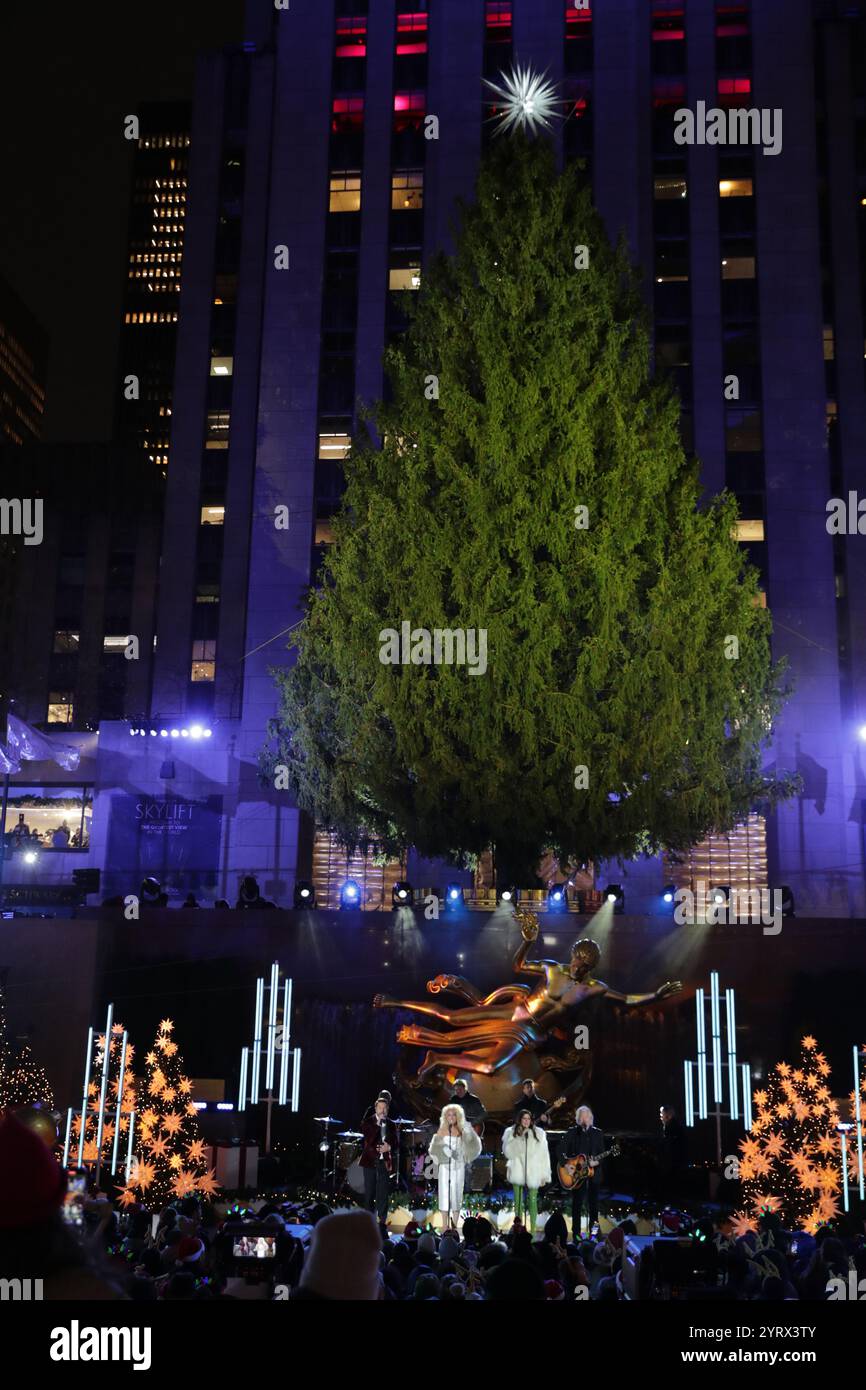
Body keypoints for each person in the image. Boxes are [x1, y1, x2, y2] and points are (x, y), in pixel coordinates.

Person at [429, 1103, 481, 1230]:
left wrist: (463, 1152)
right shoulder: (441, 1131)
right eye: (449, 1115)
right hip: (444, 1167)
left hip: (458, 1166)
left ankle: (454, 1226)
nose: (451, 1117)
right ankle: (444, 1226)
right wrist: (443, 1151)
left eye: (454, 1114)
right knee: (444, 1194)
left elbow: (475, 1147)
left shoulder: (463, 1129)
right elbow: (433, 1151)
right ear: (445, 1116)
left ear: (458, 1116)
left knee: (456, 1194)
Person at [559, 1105, 607, 1238]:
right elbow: (560, 1150)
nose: (584, 1119)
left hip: (593, 1175)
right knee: (577, 1205)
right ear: (578, 1119)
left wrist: (596, 1162)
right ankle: (576, 1234)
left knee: (594, 1207)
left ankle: (594, 1235)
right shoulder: (572, 1132)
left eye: (586, 1116)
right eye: (581, 1116)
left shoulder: (598, 1133)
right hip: (576, 1175)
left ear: (591, 1118)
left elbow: (602, 1154)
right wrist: (566, 1165)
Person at [502, 1109, 551, 1233]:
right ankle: (519, 1230)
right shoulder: (511, 1132)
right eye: (524, 1119)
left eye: (528, 1119)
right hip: (517, 1170)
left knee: (533, 1201)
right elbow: (508, 1153)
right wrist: (519, 1139)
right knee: (518, 1203)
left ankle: (533, 1232)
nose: (526, 1121)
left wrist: (544, 1175)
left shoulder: (539, 1133)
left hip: (534, 1172)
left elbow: (545, 1155)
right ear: (519, 1120)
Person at [359, 1097, 398, 1230]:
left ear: (388, 1109)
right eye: (380, 1108)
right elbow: (369, 1138)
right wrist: (379, 1124)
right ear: (376, 1108)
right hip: (370, 1161)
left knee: (383, 1193)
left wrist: (389, 1147)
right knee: (369, 1192)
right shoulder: (368, 1122)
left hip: (384, 1162)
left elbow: (396, 1143)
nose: (382, 1110)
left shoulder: (391, 1124)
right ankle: (368, 1222)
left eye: (385, 1108)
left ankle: (382, 1223)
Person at [659, 1103, 687, 1187]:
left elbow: (668, 1142)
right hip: (677, 1156)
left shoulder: (670, 1126)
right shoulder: (675, 1124)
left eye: (662, 1114)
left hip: (673, 1157)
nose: (661, 1116)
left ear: (668, 1115)